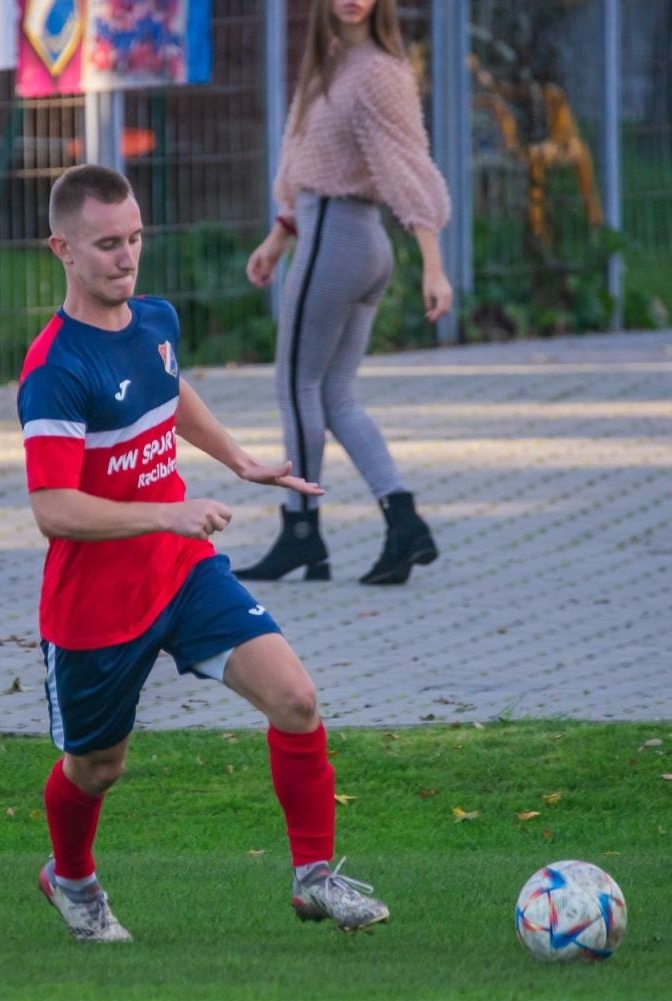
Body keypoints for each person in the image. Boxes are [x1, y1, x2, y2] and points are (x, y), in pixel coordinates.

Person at [18, 164, 390, 941]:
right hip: (95, 607)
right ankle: (72, 878)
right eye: (108, 245)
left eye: (136, 239)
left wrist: (237, 460)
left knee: (296, 698)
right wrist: (166, 514)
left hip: (182, 572)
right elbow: (53, 510)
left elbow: (169, 389)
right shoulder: (54, 369)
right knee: (98, 769)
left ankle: (313, 878)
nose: (127, 258)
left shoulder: (155, 321)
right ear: (63, 248)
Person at [238, 0, 453, 585]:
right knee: (334, 395)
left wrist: (434, 266)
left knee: (294, 384)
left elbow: (409, 167)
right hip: (334, 233)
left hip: (340, 237)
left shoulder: (379, 70)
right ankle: (403, 521)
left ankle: (302, 532)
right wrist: (279, 238)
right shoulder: (329, 61)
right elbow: (307, 161)